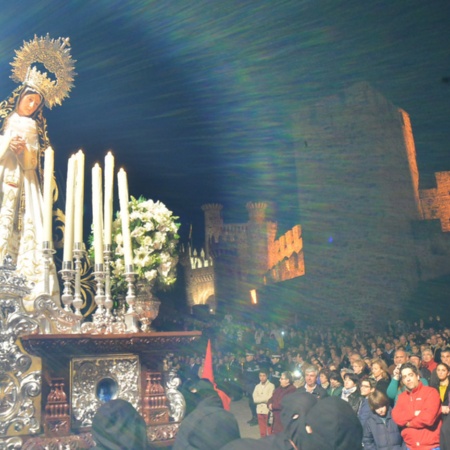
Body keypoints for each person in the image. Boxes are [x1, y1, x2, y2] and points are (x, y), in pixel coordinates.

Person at [0, 35, 75, 311]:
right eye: (29, 99)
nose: (31, 106)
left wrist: (22, 152)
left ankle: (29, 297)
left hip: (25, 186)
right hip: (2, 180)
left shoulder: (33, 128)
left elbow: (33, 163)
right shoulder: (4, 119)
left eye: (36, 103)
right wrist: (8, 142)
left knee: (26, 232)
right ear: (20, 96)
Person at [392, 362, 442, 450]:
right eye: (404, 377)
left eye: (410, 375)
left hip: (431, 446)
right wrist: (415, 413)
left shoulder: (431, 392)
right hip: (411, 446)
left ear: (417, 376)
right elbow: (396, 417)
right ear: (402, 381)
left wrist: (408, 423)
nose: (408, 379)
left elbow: (428, 419)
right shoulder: (401, 397)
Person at [252, 369, 275, 437]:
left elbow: (269, 398)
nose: (262, 378)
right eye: (260, 376)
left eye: (264, 376)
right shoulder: (257, 386)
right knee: (262, 430)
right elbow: (254, 399)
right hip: (259, 410)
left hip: (267, 410)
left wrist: (259, 399)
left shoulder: (271, 386)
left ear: (267, 376)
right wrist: (263, 399)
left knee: (269, 429)